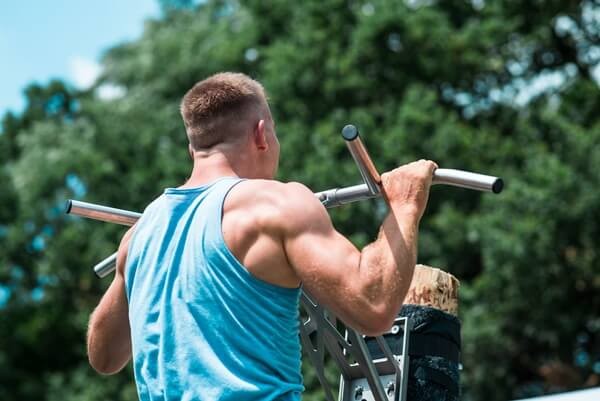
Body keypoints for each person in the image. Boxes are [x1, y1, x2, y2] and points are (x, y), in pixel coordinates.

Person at [86, 72, 438, 401]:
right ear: (261, 134)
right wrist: (405, 205)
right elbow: (374, 307)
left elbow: (104, 356)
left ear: (194, 149)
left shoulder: (140, 235)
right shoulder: (275, 204)